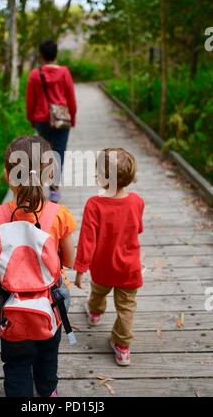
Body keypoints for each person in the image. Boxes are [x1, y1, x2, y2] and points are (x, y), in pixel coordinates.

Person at [0, 135, 76, 397]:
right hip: (50, 306)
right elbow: (69, 261)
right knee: (47, 358)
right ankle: (48, 393)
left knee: (16, 365)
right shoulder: (59, 215)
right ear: (49, 175)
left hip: (11, 309)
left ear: (7, 175)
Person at [74, 148, 144, 366]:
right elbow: (137, 229)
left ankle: (94, 314)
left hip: (103, 267)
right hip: (129, 268)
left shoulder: (94, 204)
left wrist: (80, 270)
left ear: (103, 178)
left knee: (98, 292)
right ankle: (122, 348)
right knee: (126, 308)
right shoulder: (137, 201)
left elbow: (87, 241)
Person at [26, 39, 77, 203]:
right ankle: (54, 190)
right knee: (58, 153)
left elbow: (30, 101)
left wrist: (32, 119)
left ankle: (39, 186)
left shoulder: (35, 74)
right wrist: (73, 117)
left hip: (41, 120)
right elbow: (71, 99)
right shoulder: (65, 72)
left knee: (43, 154)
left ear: (41, 55)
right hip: (62, 119)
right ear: (56, 54)